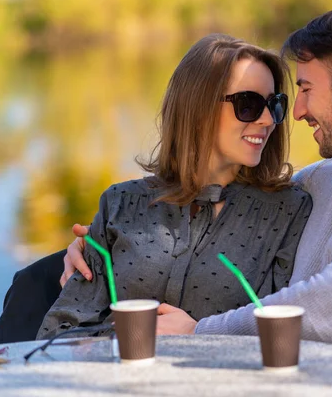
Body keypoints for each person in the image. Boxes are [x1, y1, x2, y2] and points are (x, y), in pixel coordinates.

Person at [0, 6, 332, 396]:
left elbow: (324, 312)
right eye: (276, 101)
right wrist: (99, 240)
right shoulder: (328, 179)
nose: (290, 115)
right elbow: (205, 207)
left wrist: (199, 334)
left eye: (302, 92)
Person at [33, 33, 312, 339]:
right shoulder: (121, 203)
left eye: (274, 105)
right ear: (197, 106)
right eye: (248, 104)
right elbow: (61, 329)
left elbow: (279, 333)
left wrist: (201, 337)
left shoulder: (288, 210)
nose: (266, 120)